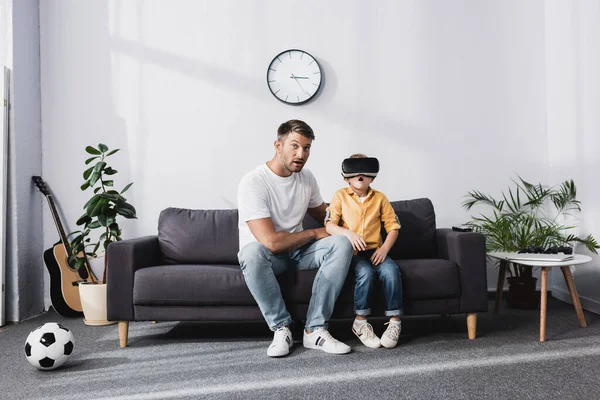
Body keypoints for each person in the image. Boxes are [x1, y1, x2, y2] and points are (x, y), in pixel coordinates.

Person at [237, 119, 354, 358]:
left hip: (299, 253)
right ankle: (282, 327)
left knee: (341, 243)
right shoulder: (254, 182)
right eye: (294, 146)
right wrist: (313, 233)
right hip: (269, 256)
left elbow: (326, 215)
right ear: (278, 145)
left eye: (307, 147)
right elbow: (271, 242)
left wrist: (357, 217)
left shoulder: (306, 178)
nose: (301, 154)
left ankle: (315, 330)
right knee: (251, 252)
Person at [325, 154, 403, 349]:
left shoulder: (380, 198)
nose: (360, 175)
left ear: (372, 177)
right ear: (346, 178)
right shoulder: (340, 196)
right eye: (355, 171)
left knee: (391, 271)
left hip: (376, 250)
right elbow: (329, 225)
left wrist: (384, 249)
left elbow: (393, 226)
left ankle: (395, 322)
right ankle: (360, 322)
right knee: (365, 273)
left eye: (365, 172)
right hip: (351, 253)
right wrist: (348, 234)